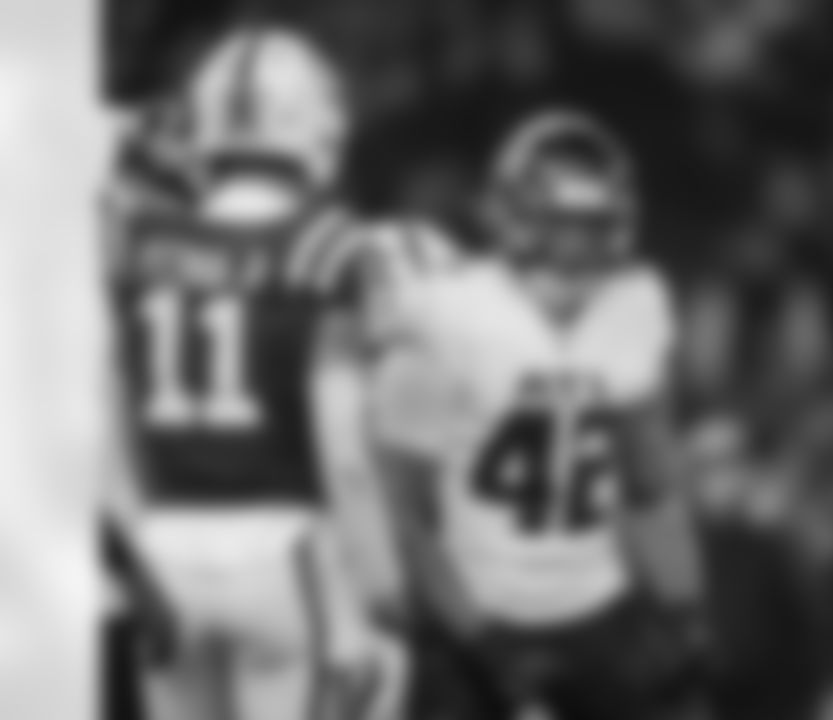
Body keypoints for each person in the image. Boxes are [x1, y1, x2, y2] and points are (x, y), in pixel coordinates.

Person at [363, 109, 715, 720]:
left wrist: (686, 614)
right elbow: (408, 518)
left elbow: (652, 485)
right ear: (510, 218)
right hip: (476, 610)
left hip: (599, 611)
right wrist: (481, 642)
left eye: (591, 227)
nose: (575, 250)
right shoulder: (445, 314)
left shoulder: (633, 305)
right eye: (558, 227)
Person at [102, 25, 403, 720]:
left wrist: (131, 553)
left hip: (165, 544)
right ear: (312, 121)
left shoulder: (141, 244)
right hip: (285, 549)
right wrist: (381, 581)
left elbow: (112, 418)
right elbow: (344, 448)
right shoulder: (329, 248)